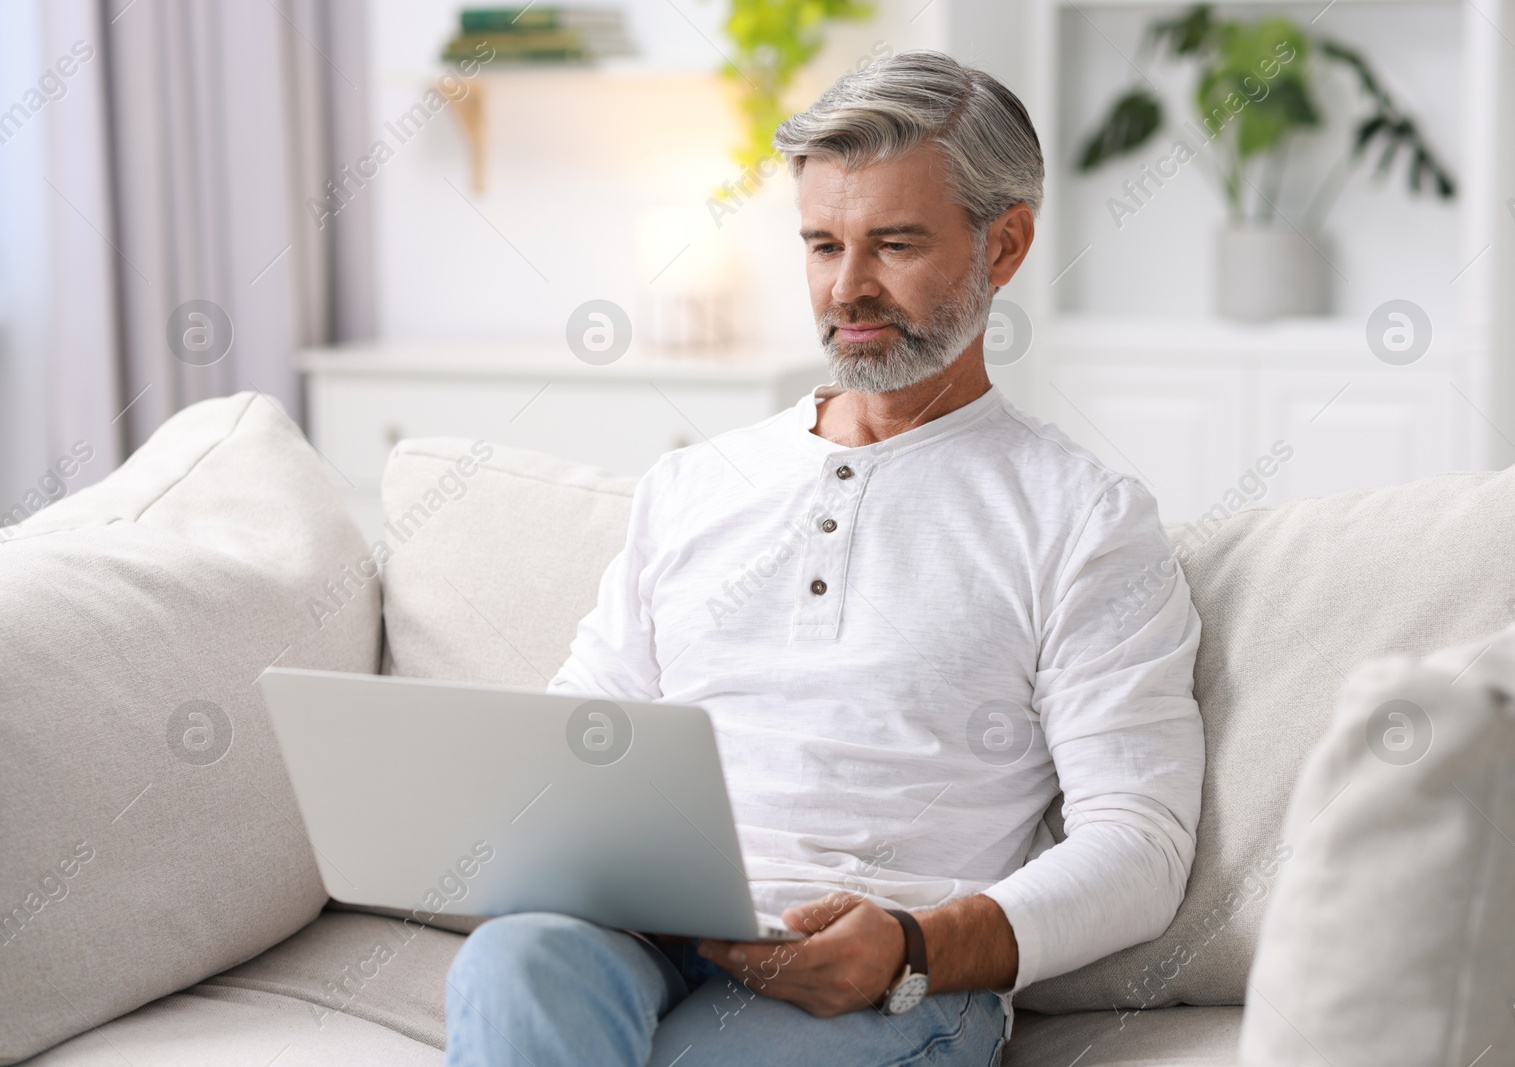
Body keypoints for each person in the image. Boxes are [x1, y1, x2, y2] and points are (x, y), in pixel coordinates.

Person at [443, 49, 1203, 1067]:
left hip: (891, 980)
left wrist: (913, 945)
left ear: (1006, 244)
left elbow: (1140, 841)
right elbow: (584, 732)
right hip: (647, 935)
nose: (847, 288)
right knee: (513, 959)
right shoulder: (693, 485)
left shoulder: (1083, 518)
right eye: (820, 245)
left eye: (894, 244)